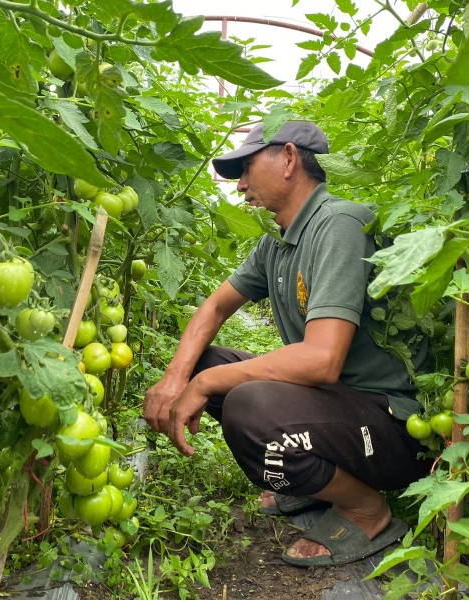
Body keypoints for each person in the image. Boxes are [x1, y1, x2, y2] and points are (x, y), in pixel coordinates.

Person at [143, 121, 431, 567]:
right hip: (341, 408)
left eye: (246, 167)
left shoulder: (339, 224)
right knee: (203, 364)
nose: (239, 184)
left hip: (395, 427)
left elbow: (321, 361)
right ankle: (316, 484)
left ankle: (365, 509)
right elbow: (215, 308)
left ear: (290, 159)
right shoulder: (277, 241)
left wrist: (205, 385)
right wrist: (177, 378)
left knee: (247, 404)